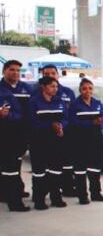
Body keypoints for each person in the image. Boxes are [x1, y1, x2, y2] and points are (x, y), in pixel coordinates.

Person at [27, 76, 70, 210]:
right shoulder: (34, 102)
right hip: (39, 141)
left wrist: (61, 126)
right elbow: (32, 122)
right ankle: (39, 200)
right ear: (43, 87)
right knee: (39, 172)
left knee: (56, 170)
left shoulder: (60, 101)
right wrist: (50, 126)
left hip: (56, 141)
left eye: (56, 86)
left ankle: (56, 197)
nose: (55, 89)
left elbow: (66, 118)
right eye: (52, 86)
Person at [34, 65, 77, 197]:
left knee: (66, 162)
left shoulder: (68, 92)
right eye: (46, 73)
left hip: (66, 132)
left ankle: (68, 188)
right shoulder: (35, 93)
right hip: (44, 135)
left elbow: (71, 113)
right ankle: (45, 191)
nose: (50, 75)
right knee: (46, 164)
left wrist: (62, 126)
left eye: (53, 73)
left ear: (58, 75)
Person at [67, 78, 103, 204]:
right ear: (80, 90)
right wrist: (91, 122)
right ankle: (82, 195)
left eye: (90, 88)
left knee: (95, 168)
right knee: (80, 169)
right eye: (84, 88)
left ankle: (96, 193)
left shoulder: (97, 103)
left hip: (95, 139)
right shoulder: (74, 105)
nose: (87, 91)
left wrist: (101, 122)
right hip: (80, 140)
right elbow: (73, 122)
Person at [1, 59, 32, 212]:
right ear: (4, 71)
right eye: (11, 70)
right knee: (9, 166)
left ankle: (15, 191)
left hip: (22, 132)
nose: (15, 73)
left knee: (16, 163)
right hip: (5, 133)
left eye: (18, 70)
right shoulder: (1, 90)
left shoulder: (25, 88)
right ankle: (13, 200)